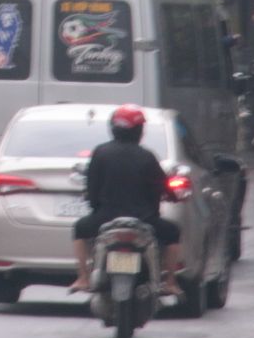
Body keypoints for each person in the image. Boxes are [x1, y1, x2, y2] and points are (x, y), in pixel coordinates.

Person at [69, 104, 182, 298]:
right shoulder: (147, 156)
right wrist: (172, 196)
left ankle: (83, 277)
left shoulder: (101, 152)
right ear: (139, 130)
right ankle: (170, 282)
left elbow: (92, 188)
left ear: (113, 128)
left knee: (79, 229)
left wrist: (96, 207)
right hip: (144, 220)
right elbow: (162, 186)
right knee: (173, 232)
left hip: (105, 218)